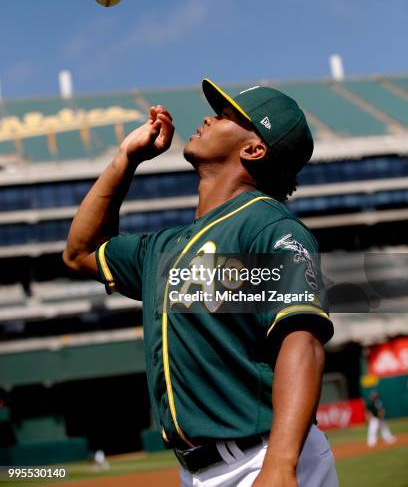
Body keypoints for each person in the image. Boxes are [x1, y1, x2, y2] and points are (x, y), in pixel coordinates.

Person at [63, 79, 338, 486]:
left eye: (226, 117)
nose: (208, 118)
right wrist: (126, 158)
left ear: (253, 149)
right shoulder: (166, 247)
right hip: (197, 471)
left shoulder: (268, 227)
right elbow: (81, 252)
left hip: (262, 459)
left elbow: (302, 342)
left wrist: (280, 465)